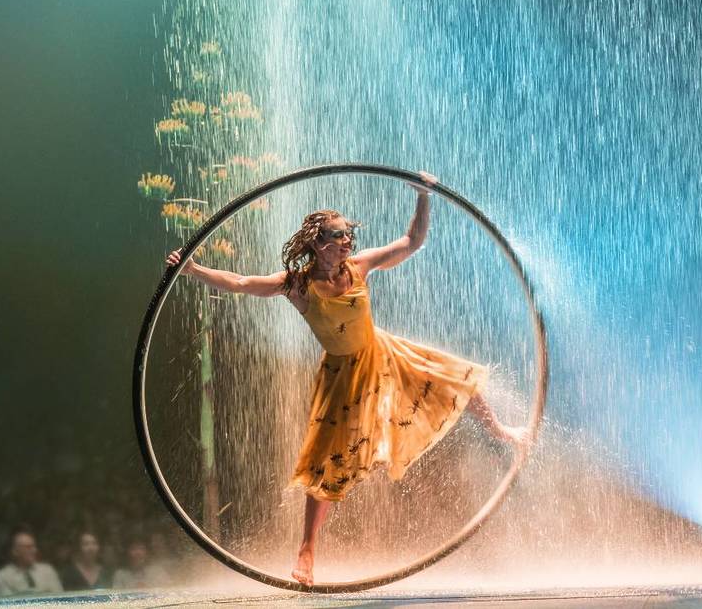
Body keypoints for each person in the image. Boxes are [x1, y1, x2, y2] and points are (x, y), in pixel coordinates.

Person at [165, 172, 526, 586]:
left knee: (460, 378)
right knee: (325, 468)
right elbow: (243, 283)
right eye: (338, 235)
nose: (347, 241)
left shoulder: (359, 267)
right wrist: (192, 270)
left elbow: (411, 243)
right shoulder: (297, 285)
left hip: (382, 354)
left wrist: (424, 197)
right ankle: (307, 551)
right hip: (343, 377)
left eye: (348, 233)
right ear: (317, 243)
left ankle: (498, 429)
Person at [0, 528, 62, 596]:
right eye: (28, 547)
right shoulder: (1, 578)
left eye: (34, 546)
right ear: (15, 551)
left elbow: (60, 600)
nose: (34, 550)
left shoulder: (48, 571)